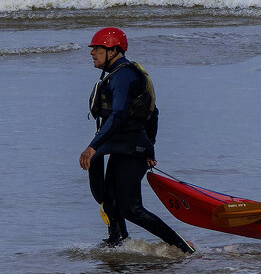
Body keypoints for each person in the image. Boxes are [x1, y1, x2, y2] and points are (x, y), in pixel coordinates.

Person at [80, 27, 195, 253]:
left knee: (131, 208)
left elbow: (119, 115)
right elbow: (153, 113)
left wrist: (94, 146)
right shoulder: (117, 74)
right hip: (123, 146)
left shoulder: (124, 76)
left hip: (132, 148)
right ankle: (117, 243)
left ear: (112, 50)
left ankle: (182, 247)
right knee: (110, 201)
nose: (92, 53)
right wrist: (150, 146)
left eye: (97, 48)